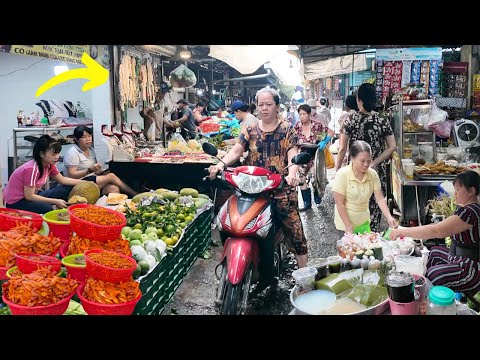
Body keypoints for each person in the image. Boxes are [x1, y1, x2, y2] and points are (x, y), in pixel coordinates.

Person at [208, 87, 308, 274]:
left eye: (268, 104)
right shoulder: (250, 129)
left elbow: (293, 154)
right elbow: (237, 150)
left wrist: (292, 174)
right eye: (261, 104)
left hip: (279, 189)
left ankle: (304, 277)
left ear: (277, 107)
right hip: (250, 189)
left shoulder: (287, 130)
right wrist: (220, 165)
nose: (264, 108)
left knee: (295, 231)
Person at [390, 171, 480, 292]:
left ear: (471, 191)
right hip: (458, 257)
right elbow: (440, 226)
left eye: (458, 190)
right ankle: (429, 292)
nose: (455, 194)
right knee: (434, 251)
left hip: (472, 268)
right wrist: (414, 233)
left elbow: (437, 231)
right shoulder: (465, 208)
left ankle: (435, 302)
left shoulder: (470, 213)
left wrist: (403, 231)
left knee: (434, 275)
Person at [335, 83, 396, 232]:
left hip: (354, 172)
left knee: (352, 207)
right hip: (376, 171)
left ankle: (352, 240)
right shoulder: (382, 120)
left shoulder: (350, 120)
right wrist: (374, 162)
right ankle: (372, 241)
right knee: (374, 209)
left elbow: (342, 147)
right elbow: (392, 146)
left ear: (359, 100)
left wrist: (337, 169)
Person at [3, 135, 88, 213]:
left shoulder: (49, 165)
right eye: (53, 154)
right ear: (42, 154)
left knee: (66, 189)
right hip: (17, 201)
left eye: (58, 153)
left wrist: (85, 183)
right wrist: (55, 201)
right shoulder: (32, 169)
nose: (57, 157)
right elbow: (29, 196)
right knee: (47, 208)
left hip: (34, 194)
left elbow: (63, 180)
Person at [332, 140, 398, 237]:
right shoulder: (342, 175)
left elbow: (379, 198)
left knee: (366, 250)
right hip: (344, 224)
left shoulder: (372, 174)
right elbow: (339, 203)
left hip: (363, 223)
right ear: (352, 158)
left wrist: (389, 217)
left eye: (369, 161)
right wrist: (348, 225)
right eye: (362, 161)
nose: (366, 164)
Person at [63, 126, 137, 197]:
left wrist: (100, 172)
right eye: (83, 137)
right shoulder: (73, 153)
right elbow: (72, 175)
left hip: (91, 179)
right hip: (78, 183)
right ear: (76, 139)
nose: (88, 139)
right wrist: (89, 170)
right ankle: (134, 193)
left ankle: (110, 209)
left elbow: (95, 171)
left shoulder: (91, 150)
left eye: (89, 136)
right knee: (111, 176)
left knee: (113, 189)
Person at [295, 103, 334, 209]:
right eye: (300, 114)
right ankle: (307, 203)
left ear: (309, 114)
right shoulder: (297, 127)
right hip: (302, 156)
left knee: (314, 179)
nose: (302, 117)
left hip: (315, 156)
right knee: (302, 178)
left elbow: (330, 132)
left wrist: (324, 141)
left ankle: (317, 193)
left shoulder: (316, 126)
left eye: (304, 114)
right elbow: (292, 141)